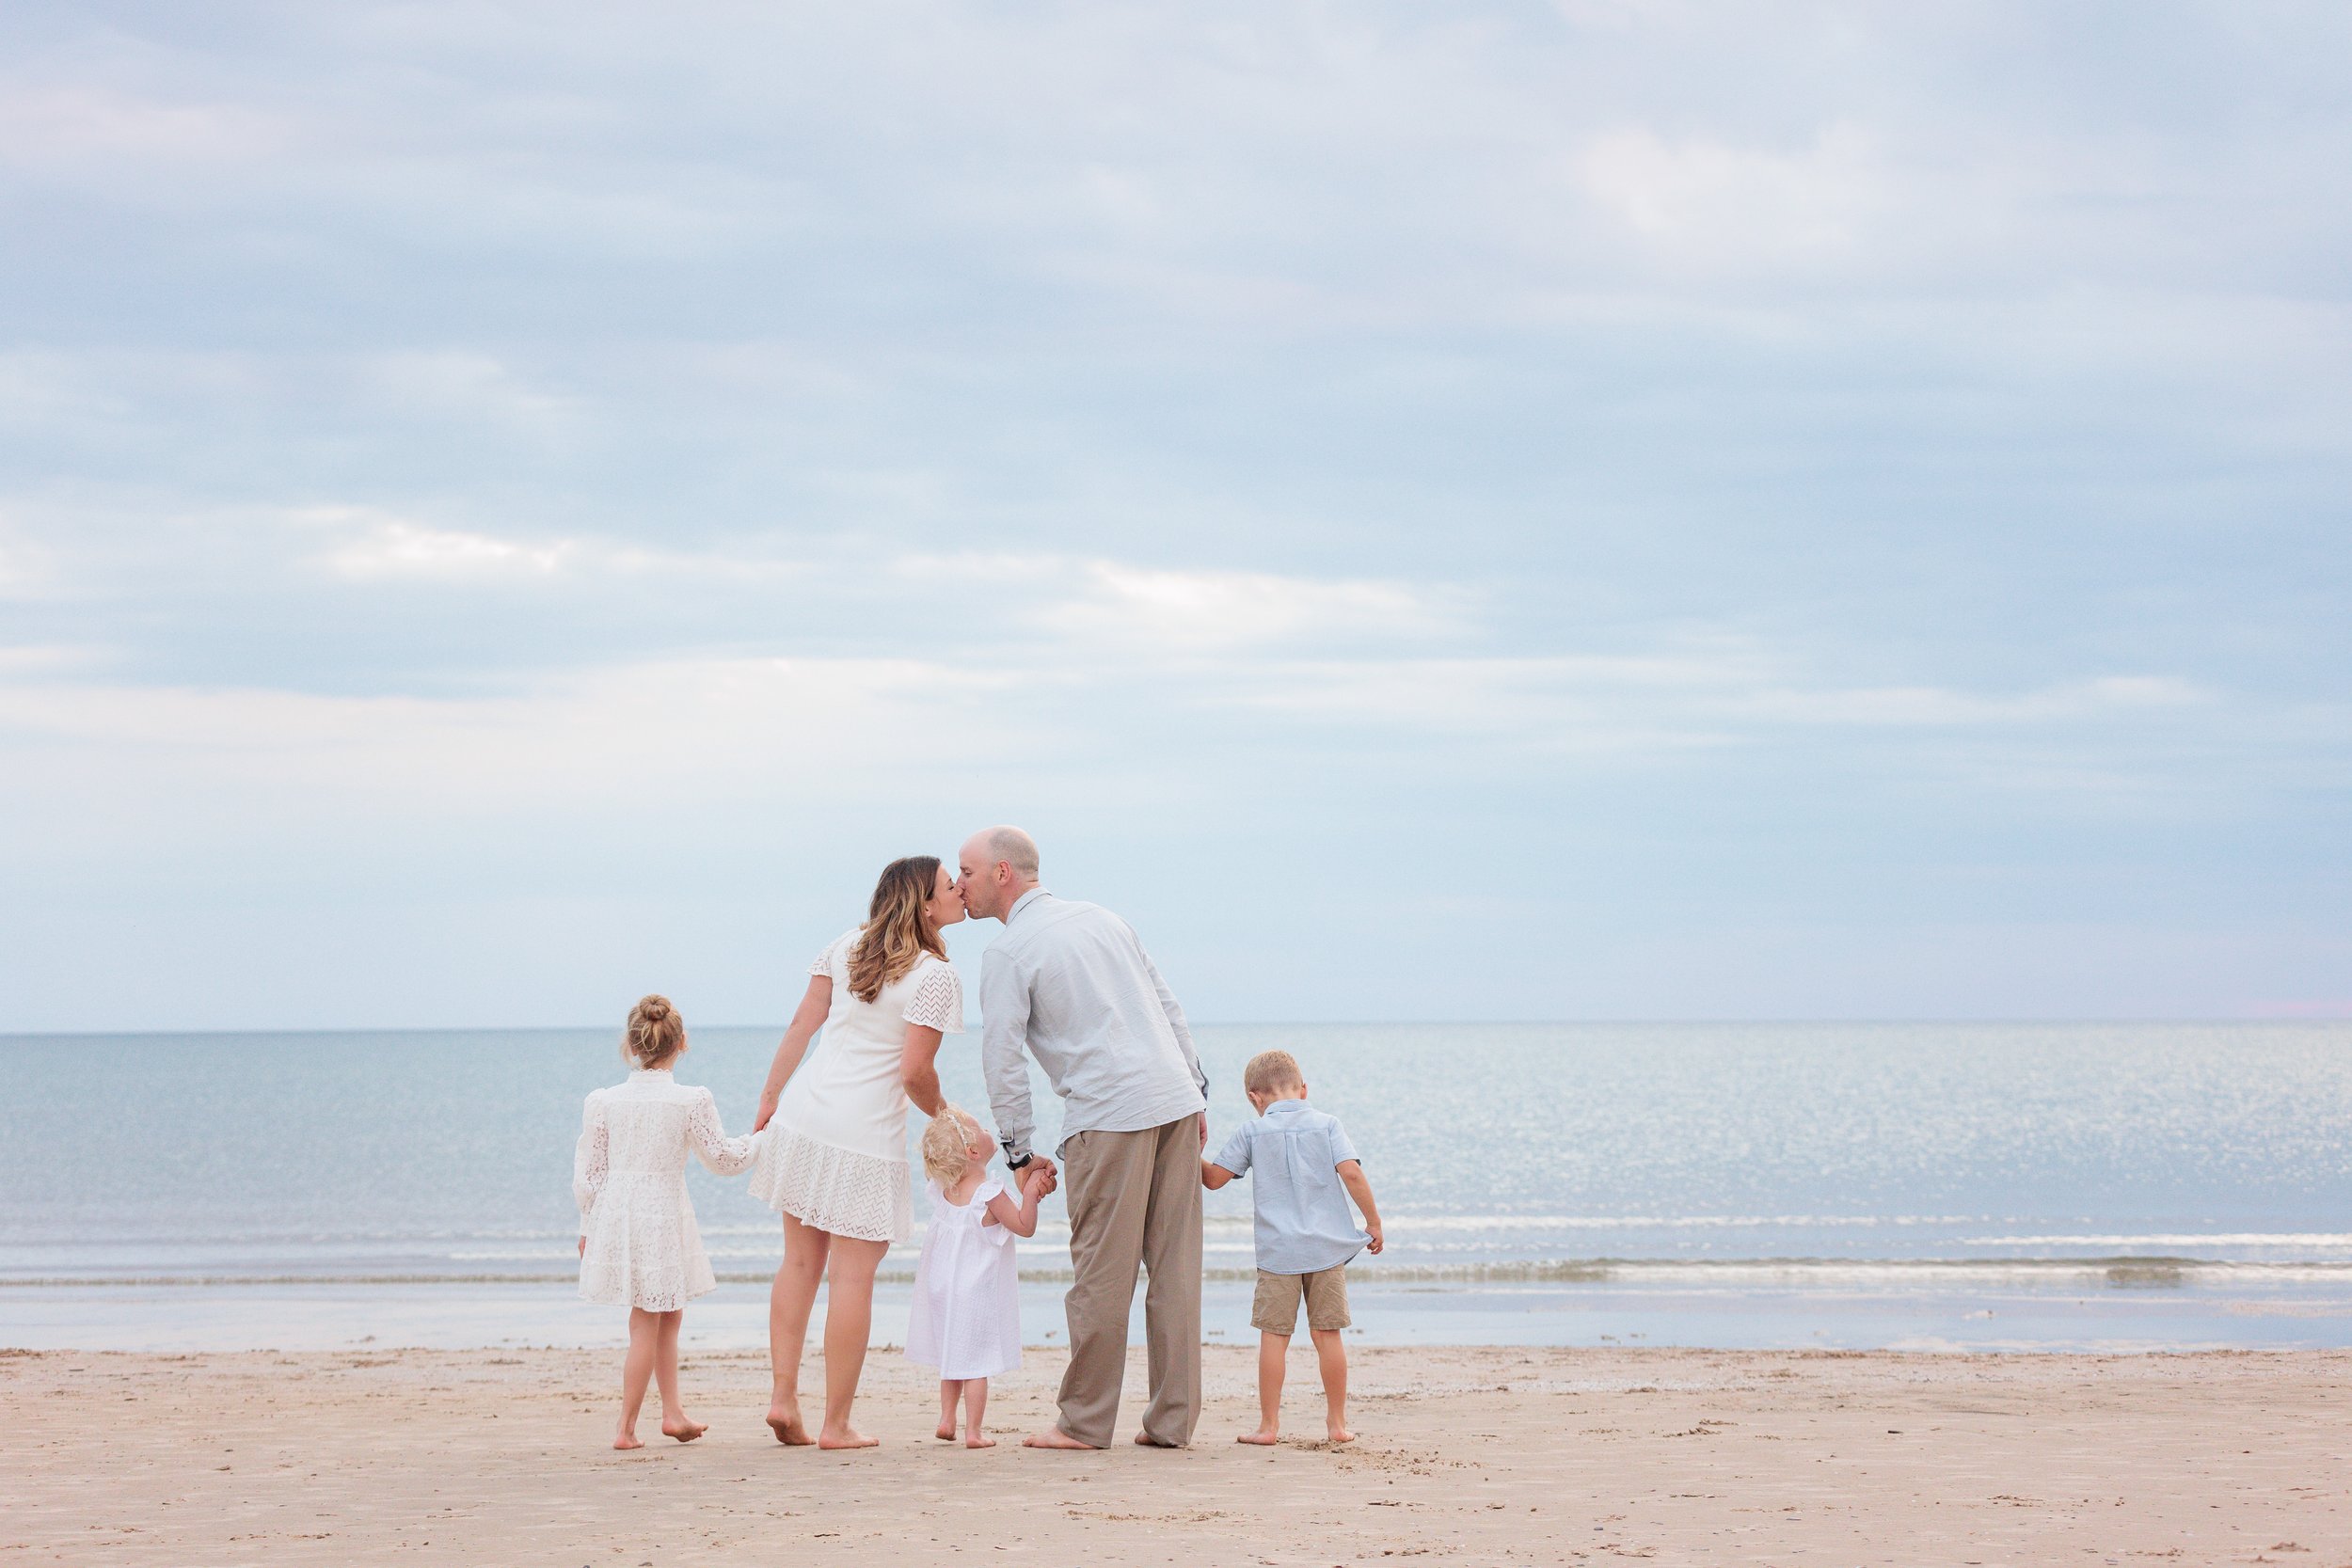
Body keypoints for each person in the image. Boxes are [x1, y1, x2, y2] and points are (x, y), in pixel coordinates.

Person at [957, 824, 1208, 1449]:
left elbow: (1002, 1059)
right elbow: (1167, 1003)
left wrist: (1016, 1150)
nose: (958, 884)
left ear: (1003, 873)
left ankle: (1085, 1421)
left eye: (966, 871)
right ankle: (1172, 1422)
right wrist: (1197, 1087)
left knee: (1101, 1272)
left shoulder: (1008, 953)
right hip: (1174, 1098)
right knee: (1175, 1271)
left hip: (1109, 1112)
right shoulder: (1104, 917)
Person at [747, 855, 979, 1449]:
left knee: (798, 1264)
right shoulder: (934, 976)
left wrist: (770, 1100)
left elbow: (801, 1026)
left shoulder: (846, 944)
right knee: (852, 1282)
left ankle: (782, 1398)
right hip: (862, 1136)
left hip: (803, 1116)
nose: (958, 890)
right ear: (926, 905)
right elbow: (914, 1072)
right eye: (949, 886)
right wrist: (949, 1116)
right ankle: (835, 1424)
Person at [573, 994, 763, 1450]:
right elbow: (722, 1158)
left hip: (620, 1212)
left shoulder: (603, 1102)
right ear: (682, 1044)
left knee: (667, 1312)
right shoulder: (689, 1100)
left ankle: (673, 1413)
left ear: (632, 1045)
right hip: (659, 1211)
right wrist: (762, 1139)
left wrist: (587, 1227)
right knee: (647, 1318)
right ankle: (625, 1429)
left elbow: (590, 1174)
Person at [1200, 1048, 1383, 1446]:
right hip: (1326, 1250)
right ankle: (1337, 1424)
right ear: (1303, 1089)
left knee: (1274, 1337)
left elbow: (1213, 1179)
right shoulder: (1328, 1124)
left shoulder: (1251, 1132)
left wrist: (1185, 1150)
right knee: (1327, 1335)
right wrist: (1373, 1222)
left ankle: (1268, 1427)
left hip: (1278, 1253)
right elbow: (1351, 1173)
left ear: (1254, 1097)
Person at [906, 1105, 1050, 1448]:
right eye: (982, 1129)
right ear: (973, 1152)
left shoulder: (945, 1191)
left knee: (950, 1357)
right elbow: (1024, 1226)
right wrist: (1030, 1194)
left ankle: (946, 1419)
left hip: (942, 1287)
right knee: (975, 1362)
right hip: (973, 1292)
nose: (989, 1132)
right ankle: (973, 1432)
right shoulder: (989, 1193)